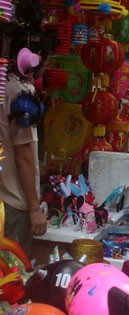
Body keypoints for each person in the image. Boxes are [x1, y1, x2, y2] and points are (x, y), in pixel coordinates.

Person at [0, 33, 54, 258]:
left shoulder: (4, 86)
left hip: (3, 196)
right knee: (15, 274)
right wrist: (34, 208)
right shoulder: (21, 94)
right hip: (15, 201)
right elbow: (23, 156)